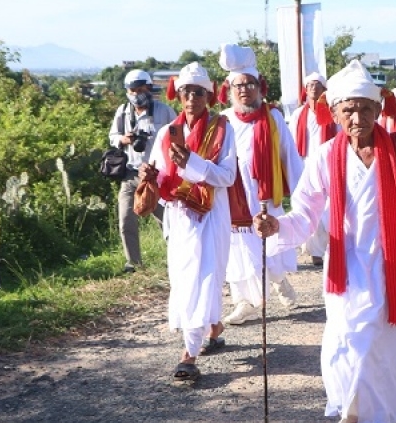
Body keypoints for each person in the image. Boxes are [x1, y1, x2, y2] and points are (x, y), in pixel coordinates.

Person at [253, 60, 396, 423]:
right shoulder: (326, 156)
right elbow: (305, 214)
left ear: (378, 111)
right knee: (345, 352)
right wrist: (276, 225)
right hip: (347, 273)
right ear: (335, 112)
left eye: (365, 108)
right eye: (348, 109)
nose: (357, 118)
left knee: (387, 353)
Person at [139, 63, 237, 381]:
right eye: (186, 92)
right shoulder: (169, 134)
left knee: (205, 278)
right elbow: (156, 170)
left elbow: (227, 175)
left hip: (212, 215)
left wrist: (193, 163)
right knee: (184, 279)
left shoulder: (223, 128)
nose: (192, 98)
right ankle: (213, 328)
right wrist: (147, 176)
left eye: (198, 92)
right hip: (180, 217)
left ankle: (189, 355)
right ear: (178, 95)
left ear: (209, 95)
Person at [217, 43, 304, 325]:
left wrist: (304, 196)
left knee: (271, 248)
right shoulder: (224, 120)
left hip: (266, 194)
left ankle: (279, 281)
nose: (245, 90)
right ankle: (244, 301)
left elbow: (289, 156)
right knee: (240, 250)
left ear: (259, 87)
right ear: (230, 91)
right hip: (235, 195)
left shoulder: (273, 116)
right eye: (239, 86)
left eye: (250, 84)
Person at [108, 69, 175, 273]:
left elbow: (179, 134)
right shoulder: (123, 111)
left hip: (157, 175)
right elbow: (112, 136)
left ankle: (177, 257)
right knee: (126, 219)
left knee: (167, 221)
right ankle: (133, 263)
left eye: (140, 89)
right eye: (132, 90)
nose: (136, 93)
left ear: (149, 88)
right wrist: (123, 139)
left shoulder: (164, 111)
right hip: (130, 173)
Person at [287, 72, 337, 266]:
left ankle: (330, 248)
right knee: (310, 206)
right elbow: (291, 143)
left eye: (317, 85)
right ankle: (315, 252)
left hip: (329, 164)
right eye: (310, 86)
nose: (313, 89)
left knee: (328, 209)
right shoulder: (299, 114)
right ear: (305, 90)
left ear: (324, 90)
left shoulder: (332, 112)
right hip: (305, 164)